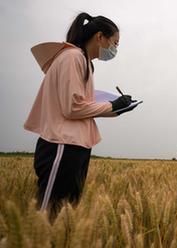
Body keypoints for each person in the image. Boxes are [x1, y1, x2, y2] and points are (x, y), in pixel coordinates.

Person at [24, 12, 136, 219]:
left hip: (75, 146)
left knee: (65, 216)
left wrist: (118, 108)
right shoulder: (72, 57)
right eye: (115, 43)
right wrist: (112, 106)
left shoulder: (82, 61)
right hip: (62, 144)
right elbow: (72, 108)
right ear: (100, 37)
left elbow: (80, 105)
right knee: (48, 215)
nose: (115, 49)